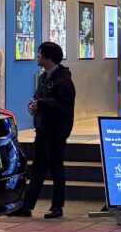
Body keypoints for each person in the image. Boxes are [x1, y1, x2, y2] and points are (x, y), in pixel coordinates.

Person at [11, 41, 75, 219]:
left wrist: (42, 104)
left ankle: (57, 206)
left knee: (56, 168)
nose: (37, 57)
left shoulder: (63, 80)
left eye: (39, 54)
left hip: (56, 131)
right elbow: (36, 98)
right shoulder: (43, 77)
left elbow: (65, 107)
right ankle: (27, 206)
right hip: (42, 129)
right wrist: (32, 106)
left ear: (49, 58)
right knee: (37, 168)